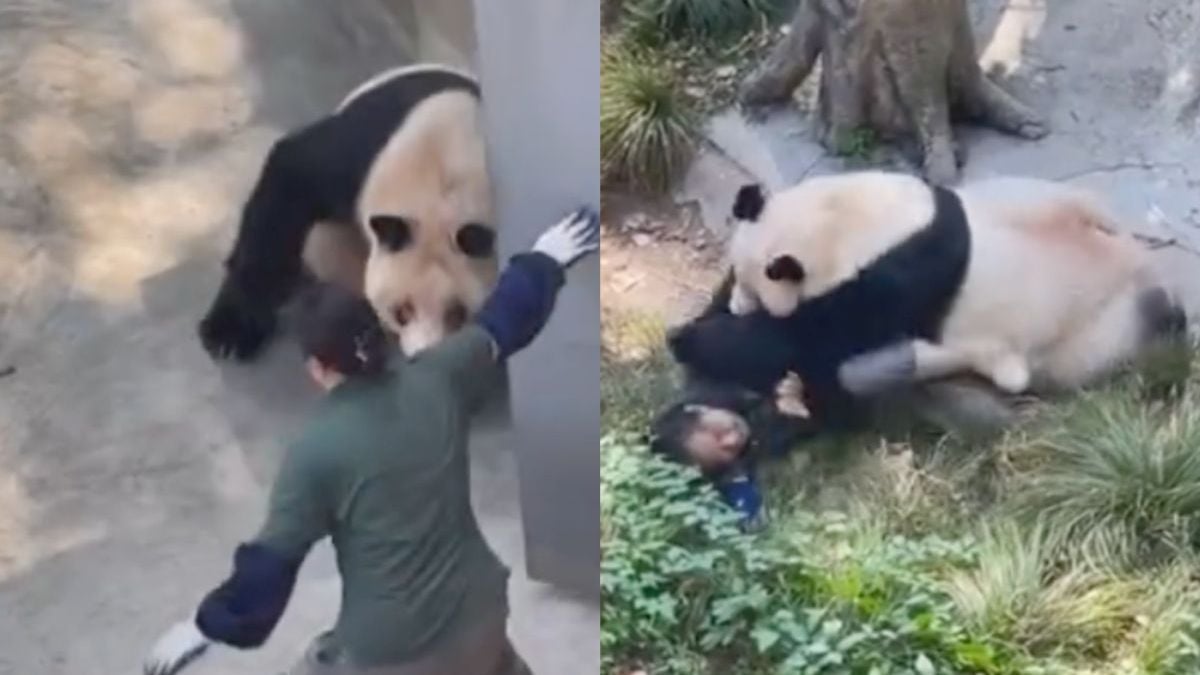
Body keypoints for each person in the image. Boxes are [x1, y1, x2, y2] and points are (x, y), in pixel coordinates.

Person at [143, 206, 600, 675]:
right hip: (481, 613)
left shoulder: (316, 452)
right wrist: (546, 258)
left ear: (318, 368)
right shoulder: (441, 376)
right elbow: (505, 321)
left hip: (393, 653)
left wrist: (203, 628)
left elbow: (270, 568)